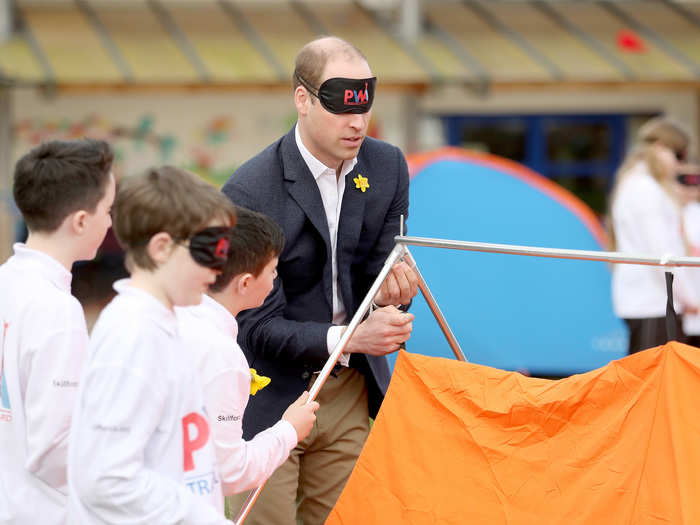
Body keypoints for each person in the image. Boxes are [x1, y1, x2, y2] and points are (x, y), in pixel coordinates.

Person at [222, 36, 418, 524]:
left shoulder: (387, 166)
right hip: (265, 391)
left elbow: (380, 272)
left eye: (365, 105)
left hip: (349, 385)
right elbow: (253, 323)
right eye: (339, 105)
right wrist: (354, 336)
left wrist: (396, 294)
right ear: (303, 99)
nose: (356, 122)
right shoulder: (249, 189)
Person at [67, 166, 235, 524]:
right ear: (161, 247)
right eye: (210, 251)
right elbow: (106, 478)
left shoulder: (162, 324)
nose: (219, 270)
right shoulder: (134, 336)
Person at [0, 139, 115, 525]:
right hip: (42, 512)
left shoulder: (6, 282)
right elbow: (55, 449)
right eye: (108, 210)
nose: (110, 223)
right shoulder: (55, 309)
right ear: (81, 221)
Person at [176, 206, 319, 500]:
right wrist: (289, 429)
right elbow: (228, 473)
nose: (275, 278)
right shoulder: (220, 354)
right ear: (244, 282)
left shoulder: (171, 319)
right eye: (272, 271)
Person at [609, 116, 698, 354]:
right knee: (652, 383)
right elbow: (662, 254)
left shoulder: (639, 185)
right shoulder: (645, 189)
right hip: (654, 304)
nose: (681, 164)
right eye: (679, 155)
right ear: (659, 148)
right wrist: (690, 298)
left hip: (655, 302)